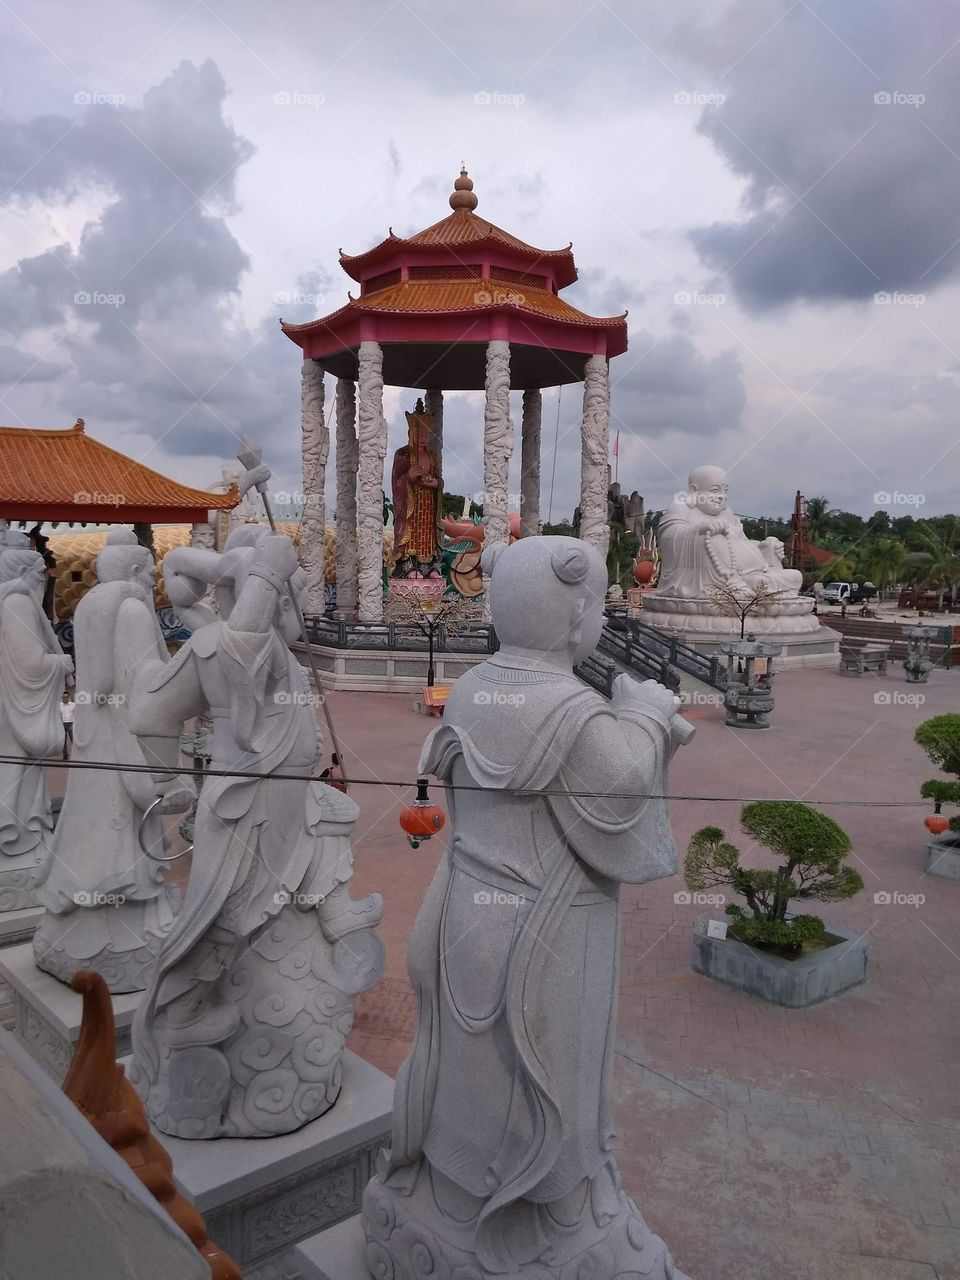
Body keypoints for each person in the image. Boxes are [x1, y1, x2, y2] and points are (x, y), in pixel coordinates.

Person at [59, 690, 75, 759]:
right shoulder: (59, 705)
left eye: (67, 697)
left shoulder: (73, 705)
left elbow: (77, 713)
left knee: (73, 740)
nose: (65, 698)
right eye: (64, 697)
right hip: (63, 724)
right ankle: (65, 755)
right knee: (63, 741)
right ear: (62, 698)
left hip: (71, 723)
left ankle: (76, 754)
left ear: (69, 697)